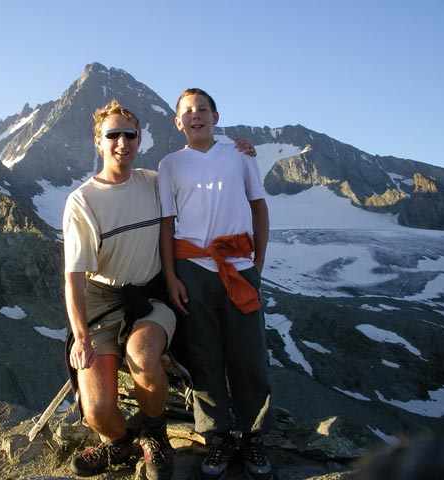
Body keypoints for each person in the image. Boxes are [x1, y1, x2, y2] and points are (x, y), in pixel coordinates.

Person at [158, 88, 273, 480]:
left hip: (239, 266)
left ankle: (252, 435)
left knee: (249, 354)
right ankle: (216, 437)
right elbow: (166, 224)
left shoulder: (239, 154)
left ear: (216, 116)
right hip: (192, 269)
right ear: (178, 122)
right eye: (187, 112)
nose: (196, 116)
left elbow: (258, 205)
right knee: (204, 355)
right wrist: (171, 276)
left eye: (202, 109)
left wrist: (257, 262)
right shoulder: (170, 164)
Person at [62, 99, 176, 480]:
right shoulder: (82, 201)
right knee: (96, 412)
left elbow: (204, 184)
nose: (122, 143)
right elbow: (74, 278)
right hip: (102, 302)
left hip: (149, 295)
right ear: (98, 141)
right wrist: (81, 338)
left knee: (142, 359)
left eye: (129, 135)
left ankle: (156, 436)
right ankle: (123, 441)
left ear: (139, 140)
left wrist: (240, 155)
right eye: (113, 135)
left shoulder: (153, 182)